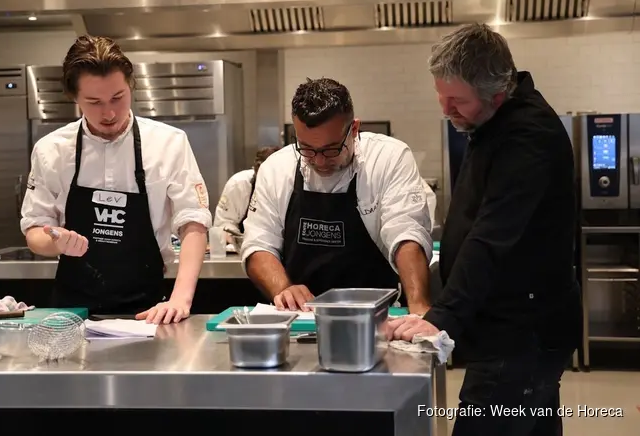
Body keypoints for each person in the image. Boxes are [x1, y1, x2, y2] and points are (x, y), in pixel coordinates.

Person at [385, 24, 581, 435]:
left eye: (456, 100)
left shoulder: (527, 137)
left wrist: (443, 316)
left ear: (496, 93)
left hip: (519, 336)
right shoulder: (493, 122)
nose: (445, 109)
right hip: (518, 330)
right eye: (441, 96)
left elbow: (492, 236)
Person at [20, 35, 212, 325]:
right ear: (74, 97)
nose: (108, 113)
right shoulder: (51, 150)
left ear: (131, 87)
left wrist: (180, 299)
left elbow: (194, 222)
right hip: (72, 315)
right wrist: (57, 243)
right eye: (94, 102)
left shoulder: (169, 143)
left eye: (117, 98)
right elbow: (35, 230)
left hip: (149, 312)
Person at [241, 77, 435, 314]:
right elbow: (258, 244)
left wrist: (419, 309)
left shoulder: (387, 159)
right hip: (302, 316)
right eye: (308, 149)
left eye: (331, 149)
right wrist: (284, 288)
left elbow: (407, 234)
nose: (320, 161)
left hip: (375, 317)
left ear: (354, 129)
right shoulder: (277, 168)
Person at [213, 146, 280, 244]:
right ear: (256, 167)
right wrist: (236, 240)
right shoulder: (238, 184)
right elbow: (224, 223)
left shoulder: (289, 186)